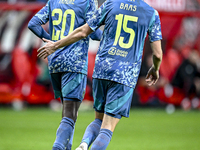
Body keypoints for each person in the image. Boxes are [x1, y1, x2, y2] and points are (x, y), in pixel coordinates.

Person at [37, 0, 163, 149]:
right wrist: (155, 69)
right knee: (107, 127)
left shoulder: (110, 4)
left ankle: (83, 144)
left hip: (102, 70)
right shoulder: (151, 13)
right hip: (124, 75)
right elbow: (157, 54)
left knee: (98, 119)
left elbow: (84, 31)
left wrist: (56, 44)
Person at [28, 0, 102, 150]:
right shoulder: (87, 2)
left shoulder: (54, 1)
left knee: (67, 114)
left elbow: (33, 23)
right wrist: (106, 36)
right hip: (74, 63)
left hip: (55, 62)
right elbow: (93, 33)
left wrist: (50, 41)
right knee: (70, 114)